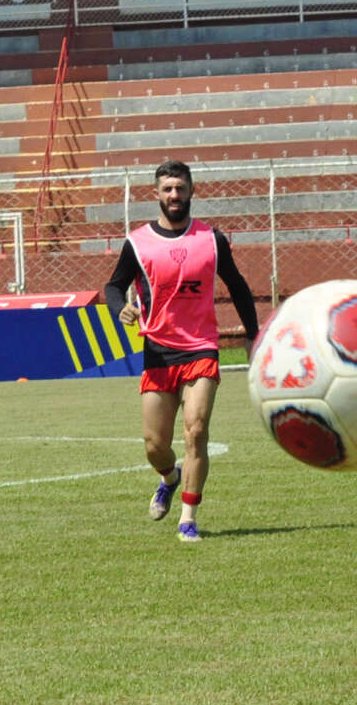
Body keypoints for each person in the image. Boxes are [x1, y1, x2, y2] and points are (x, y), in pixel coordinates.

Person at [101, 159, 260, 542]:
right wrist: (118, 305)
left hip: (202, 349)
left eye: (180, 188)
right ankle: (168, 478)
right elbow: (112, 286)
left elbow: (238, 287)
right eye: (167, 189)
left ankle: (188, 517)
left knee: (197, 431)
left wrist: (253, 335)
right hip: (157, 351)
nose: (174, 195)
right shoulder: (138, 243)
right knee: (155, 445)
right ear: (156, 194)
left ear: (192, 191)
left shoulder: (211, 239)